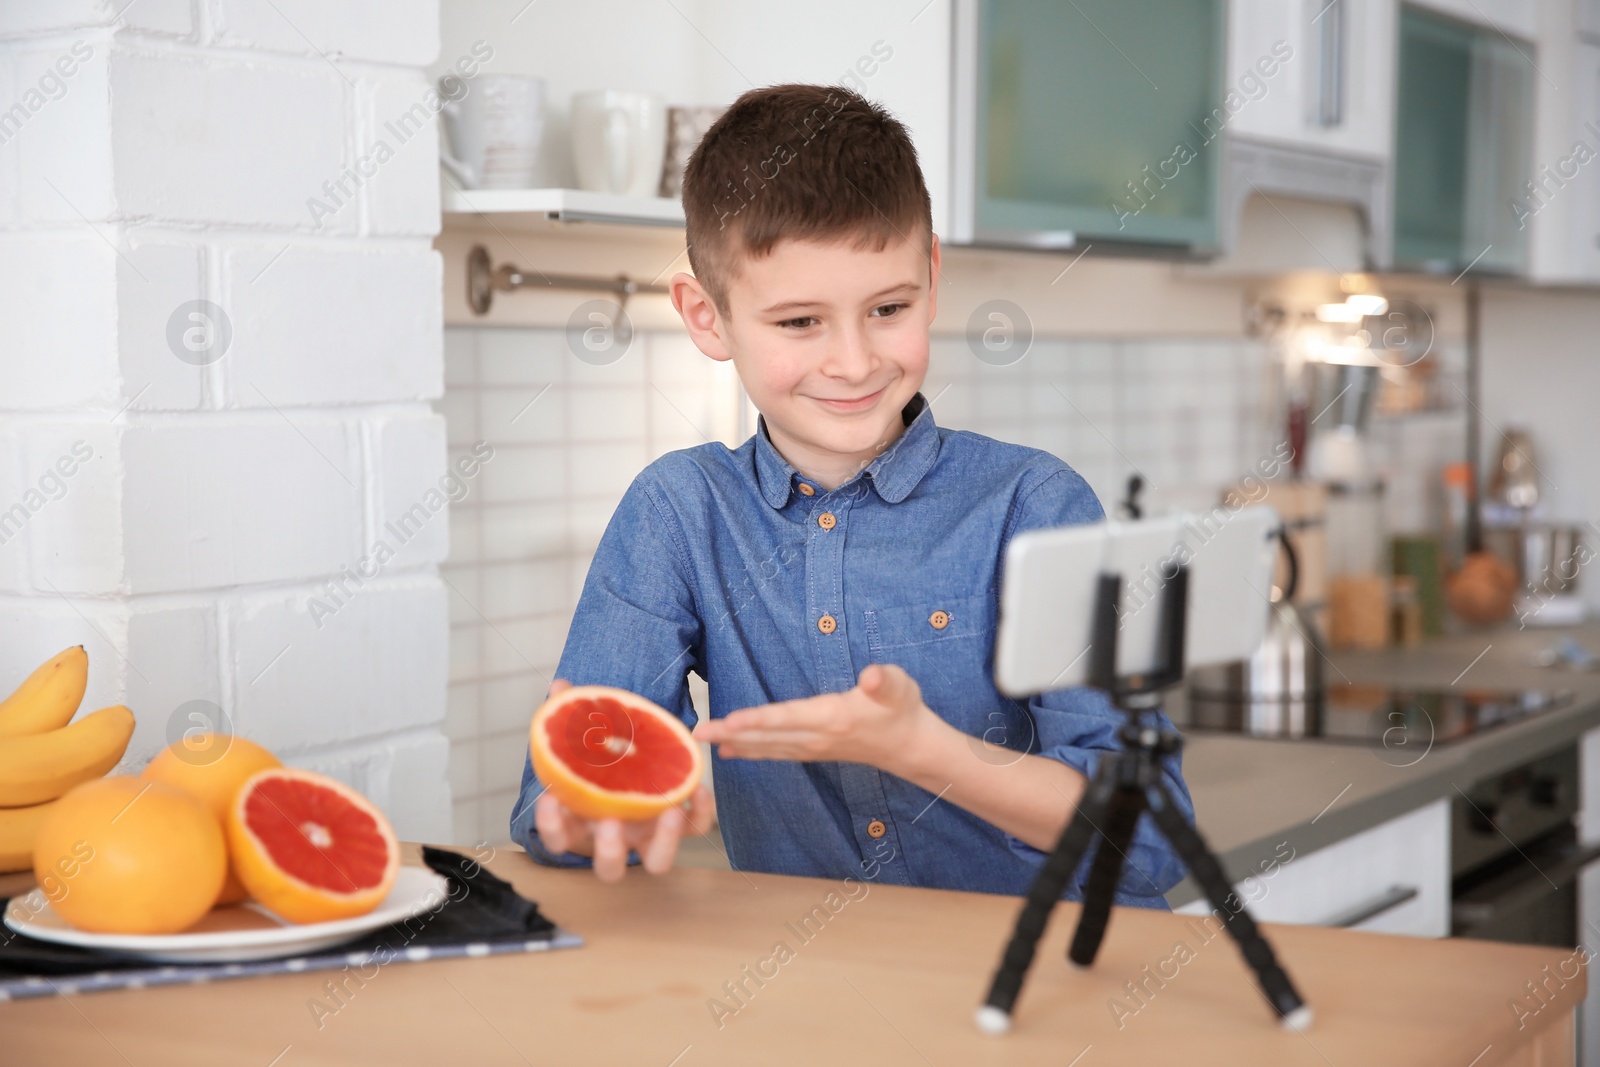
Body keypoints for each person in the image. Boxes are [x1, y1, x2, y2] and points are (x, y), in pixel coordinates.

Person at [509, 83, 1192, 906]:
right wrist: (587, 813)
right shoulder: (678, 512)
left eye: (888, 308)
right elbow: (567, 795)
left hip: (1045, 990)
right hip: (819, 994)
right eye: (800, 322)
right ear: (707, 317)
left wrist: (925, 749)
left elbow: (1149, 836)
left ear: (932, 278)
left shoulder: (1034, 504)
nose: (854, 361)